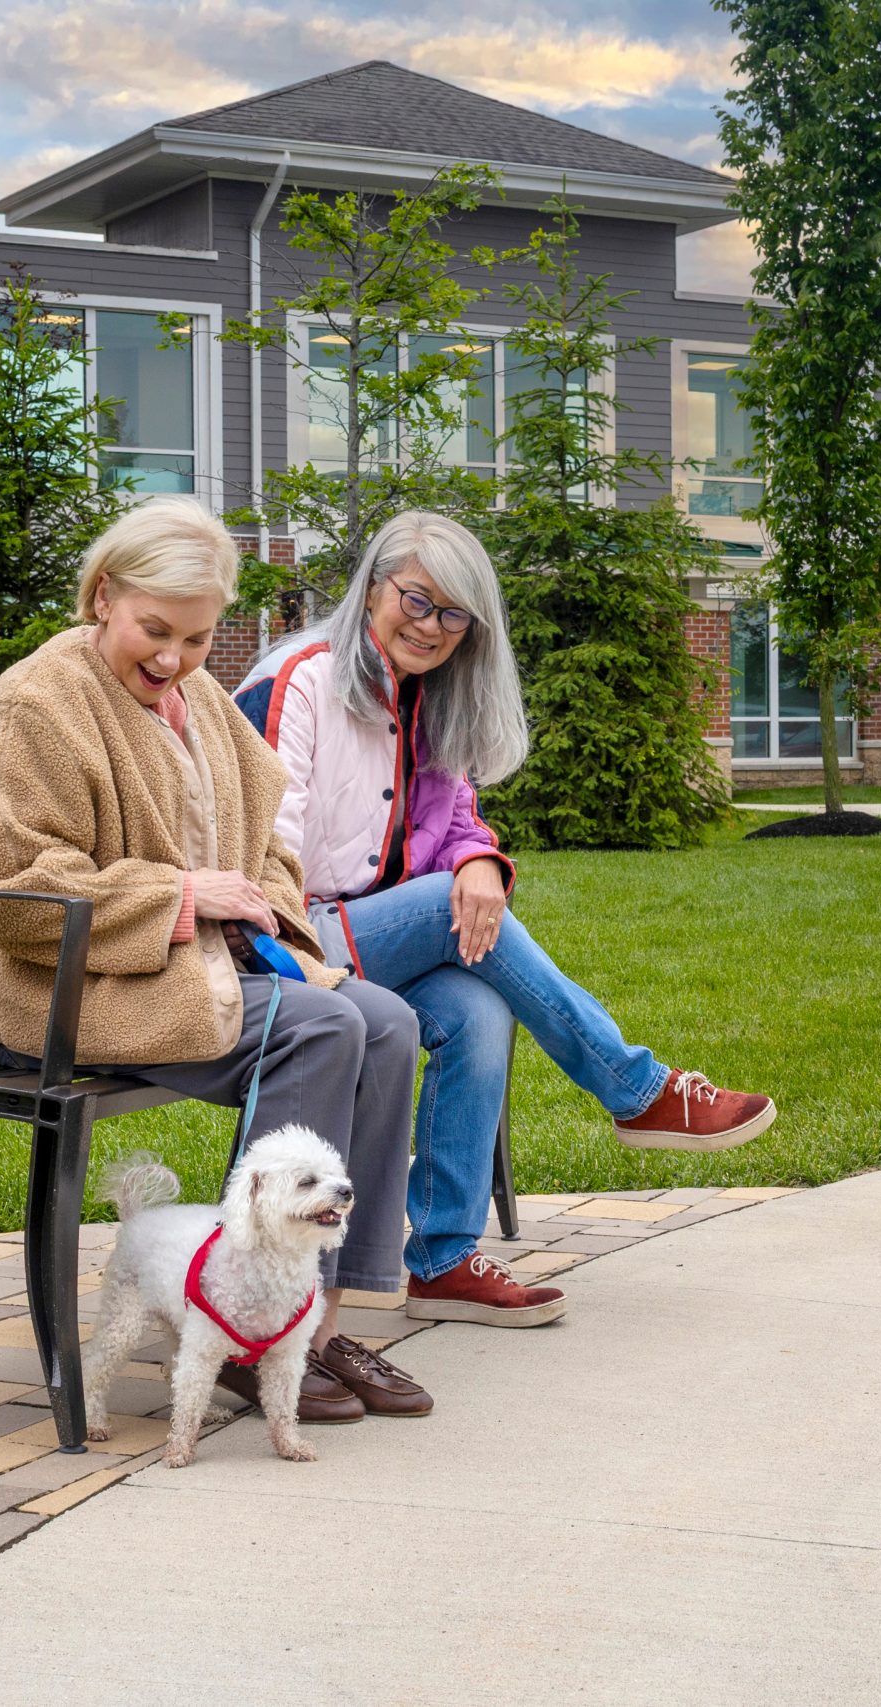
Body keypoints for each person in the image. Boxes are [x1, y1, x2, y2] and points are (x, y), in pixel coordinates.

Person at [0, 496, 431, 1423]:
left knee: (387, 1021)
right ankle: (249, 1324)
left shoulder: (198, 702)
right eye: (154, 630)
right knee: (326, 1026)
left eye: (200, 639)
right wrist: (180, 897)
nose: (173, 658)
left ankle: (318, 1319)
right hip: (60, 991)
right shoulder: (34, 704)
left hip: (172, 969)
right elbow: (17, 890)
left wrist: (260, 907)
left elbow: (268, 841)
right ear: (103, 597)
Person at [237, 511, 775, 1329]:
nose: (431, 626)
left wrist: (482, 860)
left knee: (479, 1009)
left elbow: (457, 821)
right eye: (417, 600)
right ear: (374, 585)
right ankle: (637, 1089)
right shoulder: (302, 680)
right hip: (283, 943)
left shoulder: (429, 696)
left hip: (367, 937)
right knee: (449, 913)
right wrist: (442, 888)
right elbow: (259, 853)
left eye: (455, 615)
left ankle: (445, 1258)